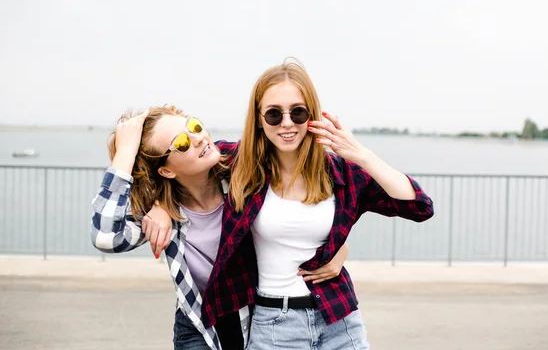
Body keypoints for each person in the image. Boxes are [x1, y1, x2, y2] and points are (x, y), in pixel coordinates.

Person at [145, 58, 435, 349]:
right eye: (273, 114)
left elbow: (419, 206)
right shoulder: (239, 164)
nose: (287, 123)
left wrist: (362, 155)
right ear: (259, 119)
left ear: (311, 113)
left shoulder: (340, 171)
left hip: (339, 319)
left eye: (297, 113)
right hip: (274, 325)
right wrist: (157, 203)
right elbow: (175, 169)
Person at [89, 105, 351, 350]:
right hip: (198, 326)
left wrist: (338, 247)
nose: (198, 138)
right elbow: (106, 236)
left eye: (193, 126)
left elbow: (306, 196)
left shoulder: (243, 170)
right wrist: (126, 154)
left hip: (256, 313)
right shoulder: (161, 212)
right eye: (181, 143)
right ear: (166, 171)